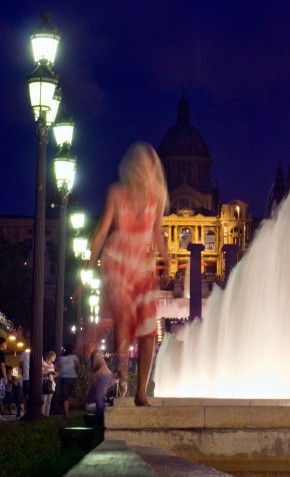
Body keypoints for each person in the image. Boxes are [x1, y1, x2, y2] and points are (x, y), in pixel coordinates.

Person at [75, 142, 169, 406]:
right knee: (124, 313)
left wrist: (167, 255)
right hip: (116, 261)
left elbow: (157, 231)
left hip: (141, 266)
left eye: (149, 166)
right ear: (130, 167)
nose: (144, 170)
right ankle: (122, 378)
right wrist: (86, 271)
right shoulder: (116, 193)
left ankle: (140, 392)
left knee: (149, 329)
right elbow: (102, 232)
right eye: (139, 165)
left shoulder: (158, 195)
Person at [84, 343, 114, 416]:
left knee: (98, 397)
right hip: (101, 377)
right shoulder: (93, 357)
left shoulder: (97, 355)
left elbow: (102, 366)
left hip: (104, 376)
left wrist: (95, 375)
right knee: (95, 397)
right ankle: (101, 413)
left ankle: (101, 416)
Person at [57, 344, 80, 418]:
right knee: (71, 394)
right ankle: (70, 411)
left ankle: (66, 414)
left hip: (63, 378)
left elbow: (57, 367)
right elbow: (78, 367)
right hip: (72, 377)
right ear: (72, 350)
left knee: (65, 396)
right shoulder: (74, 357)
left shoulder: (61, 358)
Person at [42, 351, 59, 416]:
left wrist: (56, 374)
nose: (53, 359)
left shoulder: (52, 365)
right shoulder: (43, 363)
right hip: (45, 382)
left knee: (49, 401)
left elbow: (52, 376)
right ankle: (42, 415)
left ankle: (47, 415)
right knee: (44, 400)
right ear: (50, 356)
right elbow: (41, 373)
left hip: (51, 383)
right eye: (53, 357)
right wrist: (47, 372)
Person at [18, 349, 30, 415]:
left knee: (26, 396)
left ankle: (26, 411)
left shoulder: (24, 354)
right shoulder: (39, 353)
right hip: (36, 379)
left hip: (26, 377)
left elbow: (20, 365)